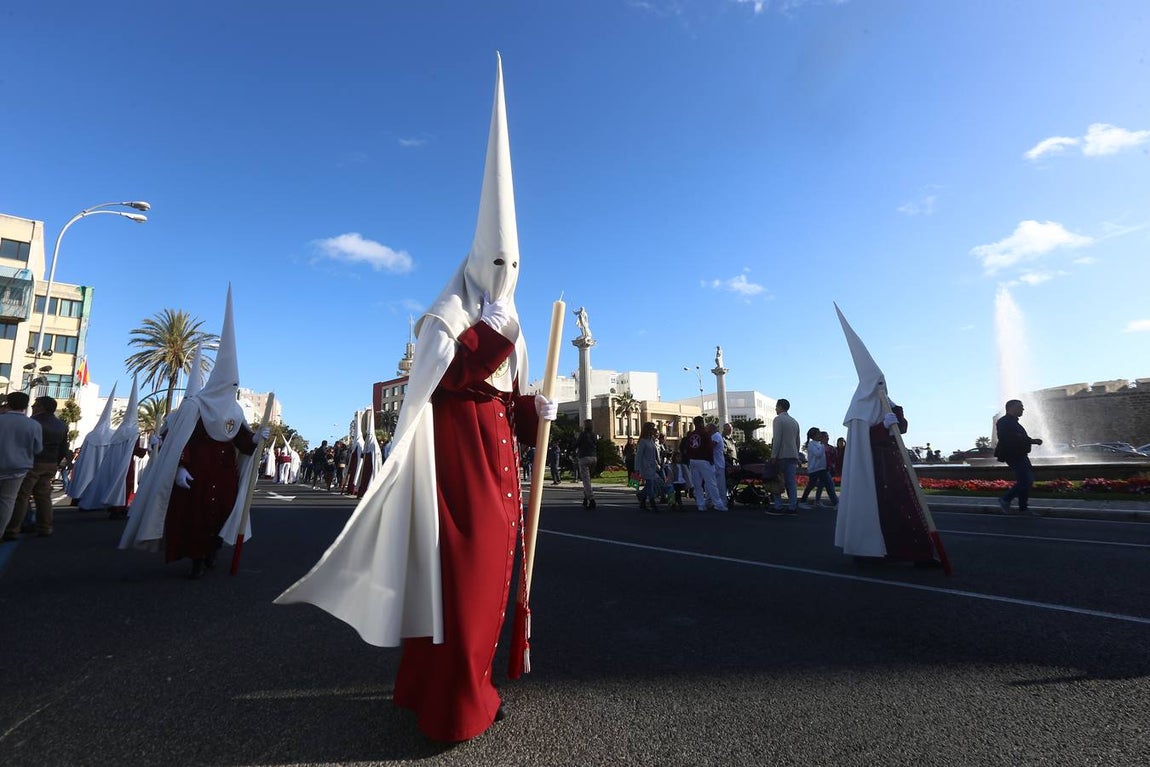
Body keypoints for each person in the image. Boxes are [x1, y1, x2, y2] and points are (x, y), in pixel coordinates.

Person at [276, 57, 559, 742]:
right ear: (470, 264)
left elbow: (510, 404)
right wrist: (492, 335)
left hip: (501, 478)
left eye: (511, 268)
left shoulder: (511, 325)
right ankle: (457, 707)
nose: (503, 278)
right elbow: (449, 380)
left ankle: (451, 687)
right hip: (453, 475)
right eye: (494, 265)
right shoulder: (446, 317)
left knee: (485, 584)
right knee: (460, 586)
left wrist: (537, 410)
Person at [120, 286, 268, 579]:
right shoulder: (195, 407)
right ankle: (196, 558)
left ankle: (211, 552)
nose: (232, 390)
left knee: (221, 514)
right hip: (197, 472)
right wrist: (180, 467)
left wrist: (256, 438)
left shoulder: (236, 412)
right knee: (194, 516)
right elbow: (180, 441)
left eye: (235, 385)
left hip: (224, 473)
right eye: (228, 384)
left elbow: (241, 442)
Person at [833, 305, 943, 568]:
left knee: (904, 504)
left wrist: (895, 419)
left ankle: (916, 552)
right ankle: (870, 549)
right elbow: (862, 443)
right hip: (873, 469)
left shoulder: (889, 402)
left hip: (892, 464)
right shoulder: (859, 408)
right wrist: (882, 426)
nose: (882, 385)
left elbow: (901, 428)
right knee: (878, 507)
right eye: (877, 381)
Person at [5, 395, 70, 538]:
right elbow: (64, 447)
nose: (33, 407)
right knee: (43, 496)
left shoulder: (33, 422)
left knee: (22, 496)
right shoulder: (61, 425)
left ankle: (13, 528)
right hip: (51, 463)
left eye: (35, 404)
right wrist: (56, 462)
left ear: (42, 407)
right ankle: (45, 527)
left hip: (33, 463)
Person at [0, 392, 43, 539]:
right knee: (8, 500)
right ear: (25, 405)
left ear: (8, 403)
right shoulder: (33, 425)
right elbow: (38, 449)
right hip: (18, 468)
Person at [995, 399, 1043, 515]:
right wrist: (1032, 441)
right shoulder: (1004, 422)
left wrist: (1031, 441)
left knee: (1026, 480)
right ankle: (1006, 499)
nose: (1023, 409)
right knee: (1026, 480)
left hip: (1020, 454)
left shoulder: (1013, 422)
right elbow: (1011, 438)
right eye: (1020, 407)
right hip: (1013, 455)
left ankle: (1023, 508)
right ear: (1011, 408)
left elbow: (1019, 437)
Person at [767, 399, 801, 515]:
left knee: (776, 480)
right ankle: (792, 506)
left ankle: (778, 505)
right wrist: (796, 454)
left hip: (781, 455)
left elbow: (777, 439)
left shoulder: (778, 420)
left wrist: (773, 455)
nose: (775, 409)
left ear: (780, 407)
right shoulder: (794, 421)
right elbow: (797, 441)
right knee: (791, 482)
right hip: (792, 455)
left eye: (776, 406)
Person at [682, 416, 716, 511]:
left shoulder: (691, 434)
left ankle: (701, 505)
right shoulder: (705, 434)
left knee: (697, 484)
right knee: (710, 482)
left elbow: (687, 448)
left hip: (693, 460)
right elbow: (709, 448)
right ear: (702, 423)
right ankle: (717, 503)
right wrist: (711, 459)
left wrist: (689, 457)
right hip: (704, 460)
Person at [799, 427, 838, 508]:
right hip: (816, 469)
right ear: (814, 436)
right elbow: (818, 454)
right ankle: (836, 503)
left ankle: (805, 501)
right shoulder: (811, 444)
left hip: (821, 468)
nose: (820, 435)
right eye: (818, 434)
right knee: (829, 484)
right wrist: (823, 445)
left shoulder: (819, 444)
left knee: (813, 485)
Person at [635, 422, 661, 510]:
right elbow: (638, 456)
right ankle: (652, 501)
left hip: (652, 466)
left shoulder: (651, 440)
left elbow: (653, 454)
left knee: (651, 484)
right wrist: (637, 469)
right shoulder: (642, 441)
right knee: (650, 484)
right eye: (652, 428)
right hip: (645, 466)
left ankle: (642, 497)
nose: (654, 430)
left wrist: (656, 463)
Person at [709, 422, 732, 511]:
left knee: (719, 485)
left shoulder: (715, 436)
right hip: (718, 463)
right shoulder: (717, 436)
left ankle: (721, 502)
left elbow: (711, 446)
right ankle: (717, 501)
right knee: (717, 484)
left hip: (717, 464)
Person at [575, 419, 598, 509]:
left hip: (584, 457)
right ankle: (585, 498)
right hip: (593, 457)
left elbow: (577, 444)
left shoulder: (583, 434)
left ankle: (591, 500)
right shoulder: (594, 435)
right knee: (587, 480)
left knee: (586, 481)